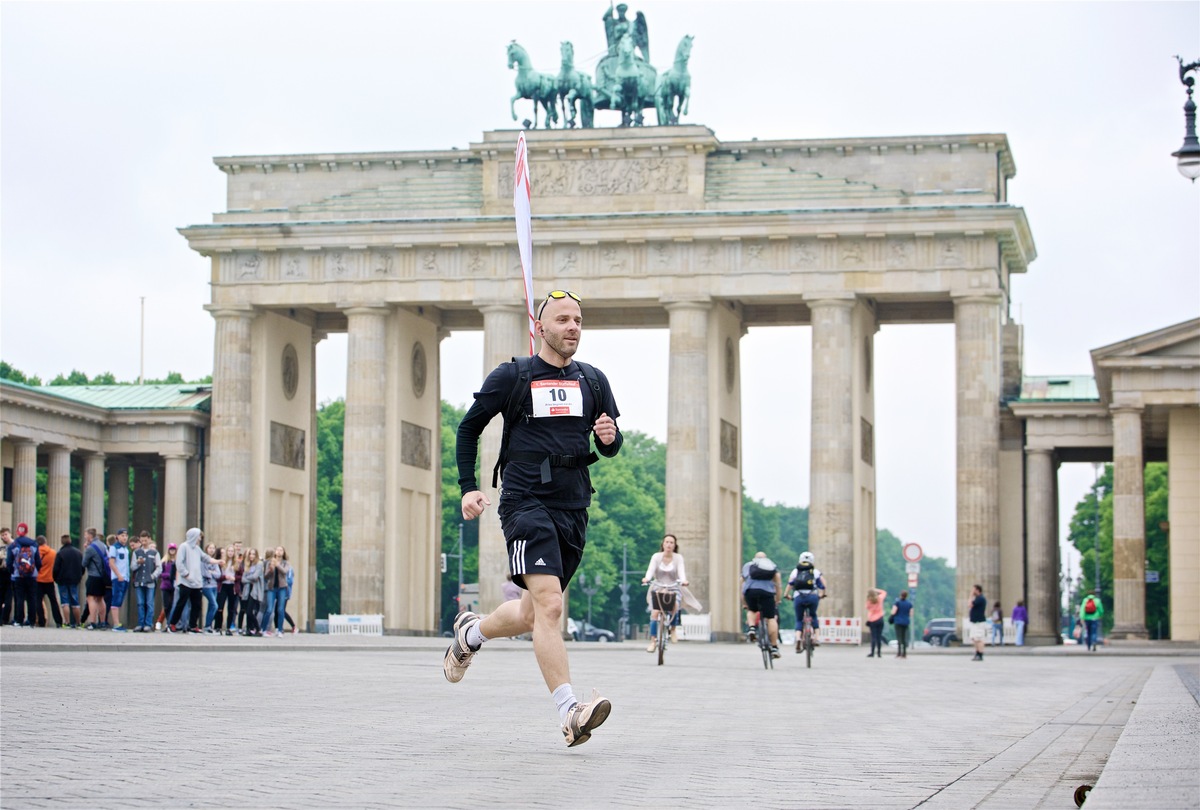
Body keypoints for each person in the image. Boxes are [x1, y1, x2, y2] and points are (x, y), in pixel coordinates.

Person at [448, 288, 623, 748]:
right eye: (563, 319)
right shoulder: (514, 375)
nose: (572, 328)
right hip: (525, 501)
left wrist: (608, 438)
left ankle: (473, 632)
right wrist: (468, 486)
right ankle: (571, 711)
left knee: (531, 613)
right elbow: (469, 428)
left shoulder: (594, 380)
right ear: (540, 326)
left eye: (579, 321)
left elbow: (609, 442)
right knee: (550, 605)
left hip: (574, 503)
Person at [641, 533, 688, 652]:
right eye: (667, 542)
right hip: (658, 586)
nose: (669, 544)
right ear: (663, 544)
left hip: (673, 586)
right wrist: (647, 578)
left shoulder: (678, 558)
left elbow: (681, 572)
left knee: (675, 605)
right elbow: (650, 570)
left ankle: (673, 629)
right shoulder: (656, 557)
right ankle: (653, 641)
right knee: (655, 613)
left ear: (674, 545)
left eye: (671, 542)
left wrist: (683, 581)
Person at [167, 529, 217, 633]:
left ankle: (193, 625)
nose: (200, 538)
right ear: (194, 536)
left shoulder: (197, 549)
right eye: (199, 536)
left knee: (197, 604)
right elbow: (179, 563)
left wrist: (217, 561)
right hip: (186, 581)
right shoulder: (183, 547)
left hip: (196, 582)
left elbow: (205, 558)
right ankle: (172, 623)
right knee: (181, 603)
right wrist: (186, 574)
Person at [783, 551, 826, 651]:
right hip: (812, 597)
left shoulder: (795, 571)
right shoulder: (815, 571)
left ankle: (798, 638)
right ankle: (817, 638)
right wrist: (822, 594)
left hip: (799, 597)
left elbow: (790, 584)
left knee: (799, 619)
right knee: (813, 615)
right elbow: (823, 584)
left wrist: (786, 594)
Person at [741, 551, 782, 658]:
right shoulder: (772, 566)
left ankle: (752, 628)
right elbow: (778, 583)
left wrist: (744, 602)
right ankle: (774, 647)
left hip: (751, 592)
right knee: (771, 618)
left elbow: (742, 583)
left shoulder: (748, 566)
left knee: (752, 610)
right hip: (767, 593)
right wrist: (777, 599)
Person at [7, 523, 41, 627]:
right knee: (32, 598)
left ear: (17, 531)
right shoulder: (34, 544)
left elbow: (9, 562)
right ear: (26, 531)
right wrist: (36, 570)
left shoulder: (13, 545)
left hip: (18, 575)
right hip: (32, 575)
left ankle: (19, 620)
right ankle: (31, 620)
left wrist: (13, 571)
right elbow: (38, 561)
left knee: (19, 598)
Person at [131, 533, 162, 632]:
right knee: (140, 603)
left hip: (150, 582)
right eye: (142, 540)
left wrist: (153, 576)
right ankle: (140, 623)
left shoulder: (154, 553)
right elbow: (132, 567)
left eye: (145, 540)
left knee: (149, 603)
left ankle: (148, 623)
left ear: (149, 539)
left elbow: (159, 567)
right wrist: (137, 563)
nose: (144, 542)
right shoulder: (136, 552)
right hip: (139, 581)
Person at [81, 529, 110, 630]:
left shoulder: (90, 548)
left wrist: (86, 549)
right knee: (101, 599)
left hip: (93, 576)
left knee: (91, 598)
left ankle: (92, 622)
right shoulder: (103, 545)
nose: (85, 537)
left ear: (90, 536)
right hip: (103, 576)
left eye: (85, 535)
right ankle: (102, 622)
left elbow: (84, 563)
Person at [53, 534, 84, 628]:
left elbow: (55, 569)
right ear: (70, 541)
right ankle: (78, 622)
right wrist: (79, 576)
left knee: (65, 602)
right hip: (74, 579)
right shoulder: (78, 553)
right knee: (75, 601)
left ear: (62, 542)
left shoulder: (60, 553)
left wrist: (56, 578)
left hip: (62, 580)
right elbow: (82, 567)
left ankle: (66, 622)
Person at [34, 535, 63, 628]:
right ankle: (58, 621)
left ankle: (41, 621)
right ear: (45, 542)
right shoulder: (53, 553)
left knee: (38, 601)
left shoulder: (35, 552)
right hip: (49, 579)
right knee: (53, 601)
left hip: (38, 579)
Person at [263, 546, 291, 637]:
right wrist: (270, 570)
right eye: (277, 550)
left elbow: (284, 572)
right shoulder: (270, 562)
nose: (279, 552)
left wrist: (277, 565)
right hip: (271, 588)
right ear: (275, 552)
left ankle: (279, 629)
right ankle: (263, 629)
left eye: (281, 550)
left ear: (283, 552)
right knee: (269, 609)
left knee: (280, 609)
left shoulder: (285, 563)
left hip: (282, 588)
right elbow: (266, 576)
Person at [107, 529, 131, 632]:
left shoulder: (126, 549)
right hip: (118, 578)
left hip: (125, 577)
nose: (124, 537)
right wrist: (118, 575)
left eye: (126, 535)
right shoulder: (114, 548)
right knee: (116, 599)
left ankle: (118, 623)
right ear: (117, 537)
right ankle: (116, 624)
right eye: (122, 535)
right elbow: (111, 563)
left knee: (120, 600)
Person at [237, 547, 263, 637]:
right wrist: (250, 579)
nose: (251, 556)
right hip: (247, 590)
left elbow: (255, 576)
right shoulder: (247, 565)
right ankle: (248, 629)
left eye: (253, 554)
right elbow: (243, 579)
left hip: (255, 590)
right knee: (247, 609)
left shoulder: (259, 564)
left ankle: (258, 629)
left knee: (249, 611)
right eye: (250, 554)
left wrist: (249, 578)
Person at [201, 543, 222, 633]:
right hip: (206, 586)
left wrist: (211, 572)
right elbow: (204, 573)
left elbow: (218, 575)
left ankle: (208, 626)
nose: (212, 550)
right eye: (210, 548)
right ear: (206, 549)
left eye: (213, 548)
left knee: (211, 606)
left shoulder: (215, 561)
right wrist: (211, 573)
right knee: (215, 605)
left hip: (214, 586)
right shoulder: (203, 560)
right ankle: (207, 625)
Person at [156, 544, 177, 630]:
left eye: (173, 549)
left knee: (173, 605)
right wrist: (169, 575)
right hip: (165, 585)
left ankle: (170, 623)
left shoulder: (177, 561)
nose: (172, 551)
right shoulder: (164, 562)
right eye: (170, 549)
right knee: (166, 605)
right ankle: (167, 622)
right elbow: (160, 573)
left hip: (174, 586)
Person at [863, 587, 888, 658]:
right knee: (879, 637)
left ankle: (872, 652)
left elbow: (867, 607)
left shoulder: (869, 601)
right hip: (880, 619)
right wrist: (876, 590)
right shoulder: (879, 598)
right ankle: (879, 653)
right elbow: (884, 592)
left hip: (872, 620)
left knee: (873, 637)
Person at [891, 590, 914, 658]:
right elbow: (911, 613)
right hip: (906, 622)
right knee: (904, 638)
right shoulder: (909, 604)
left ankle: (899, 652)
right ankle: (904, 653)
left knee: (899, 637)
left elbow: (893, 612)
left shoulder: (897, 603)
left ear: (900, 595)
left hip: (898, 621)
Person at [968, 584, 987, 661]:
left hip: (979, 622)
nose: (972, 591)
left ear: (977, 590)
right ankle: (977, 652)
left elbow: (970, 605)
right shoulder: (977, 598)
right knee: (973, 638)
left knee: (979, 638)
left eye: (974, 589)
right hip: (974, 621)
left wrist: (970, 595)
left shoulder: (980, 598)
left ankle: (980, 653)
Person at [0, 527, 11, 625]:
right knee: (2, 595)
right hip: (2, 572)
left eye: (5, 534)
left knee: (9, 596)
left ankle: (6, 618)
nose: (4, 537)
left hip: (11, 573)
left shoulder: (15, 545)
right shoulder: (2, 548)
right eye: (2, 535)